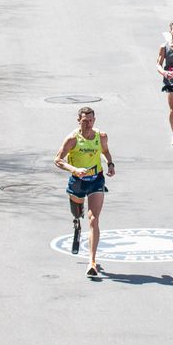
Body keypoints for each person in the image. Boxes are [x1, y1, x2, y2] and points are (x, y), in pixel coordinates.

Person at [56, 105, 115, 277]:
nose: (88, 124)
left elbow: (105, 152)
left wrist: (110, 164)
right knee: (77, 213)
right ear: (78, 121)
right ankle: (76, 224)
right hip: (77, 181)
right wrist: (73, 169)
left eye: (91, 120)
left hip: (96, 180)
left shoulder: (101, 136)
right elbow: (57, 160)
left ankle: (92, 261)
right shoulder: (72, 139)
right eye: (84, 121)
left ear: (94, 120)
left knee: (94, 219)